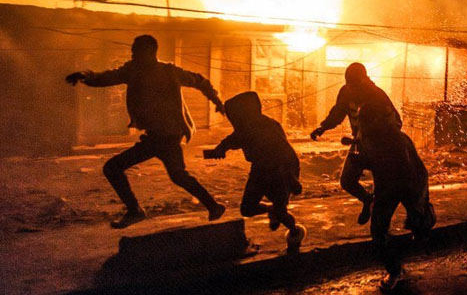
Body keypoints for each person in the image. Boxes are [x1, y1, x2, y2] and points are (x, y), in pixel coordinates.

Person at [66, 35, 226, 228]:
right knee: (178, 175)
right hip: (157, 137)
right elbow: (105, 77)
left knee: (113, 168)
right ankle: (213, 206)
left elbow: (200, 81)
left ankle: (135, 211)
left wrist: (217, 101)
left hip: (166, 137)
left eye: (136, 50)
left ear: (150, 52)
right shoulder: (132, 71)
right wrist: (85, 75)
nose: (132, 54)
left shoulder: (169, 71)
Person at [206, 91, 306, 252]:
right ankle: (272, 210)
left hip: (280, 170)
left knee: (281, 212)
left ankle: (295, 233)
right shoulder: (254, 125)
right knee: (247, 208)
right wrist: (220, 149)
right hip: (261, 169)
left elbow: (285, 154)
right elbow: (232, 140)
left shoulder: (258, 127)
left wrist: (291, 179)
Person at [354, 102, 436, 293]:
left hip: (408, 184)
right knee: (378, 232)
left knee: (415, 223)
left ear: (375, 120)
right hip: (391, 186)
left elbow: (404, 173)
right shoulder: (371, 137)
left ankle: (400, 263)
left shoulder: (396, 140)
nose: (362, 124)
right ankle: (395, 269)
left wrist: (414, 208)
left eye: (365, 120)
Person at [310, 63, 401, 225]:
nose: (352, 88)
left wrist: (380, 135)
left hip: (381, 146)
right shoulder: (346, 92)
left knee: (383, 185)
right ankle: (368, 200)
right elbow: (338, 112)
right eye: (349, 83)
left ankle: (381, 222)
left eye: (355, 84)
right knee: (347, 181)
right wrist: (323, 128)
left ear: (364, 80)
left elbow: (396, 121)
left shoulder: (377, 95)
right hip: (360, 144)